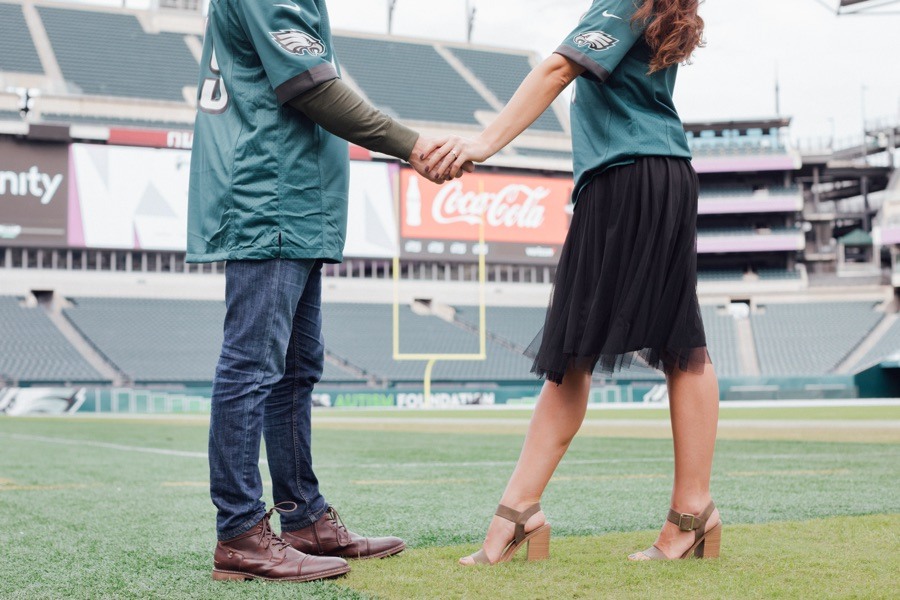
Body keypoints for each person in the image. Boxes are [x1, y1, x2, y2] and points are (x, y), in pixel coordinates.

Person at [424, 0, 721, 564]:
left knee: (573, 351)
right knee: (681, 342)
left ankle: (518, 514)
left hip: (625, 177)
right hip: (663, 171)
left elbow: (559, 68)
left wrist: (484, 144)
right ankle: (692, 514)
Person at [186, 0, 465, 583]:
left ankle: (303, 517)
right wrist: (410, 144)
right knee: (253, 366)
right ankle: (239, 532)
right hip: (272, 195)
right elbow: (310, 86)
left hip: (297, 200)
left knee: (293, 370)